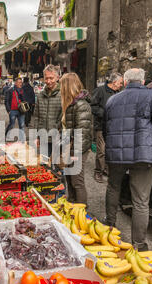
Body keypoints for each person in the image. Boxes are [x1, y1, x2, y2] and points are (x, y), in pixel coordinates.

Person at [104, 68, 152, 252]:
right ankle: (139, 243)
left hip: (117, 154)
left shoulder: (112, 99)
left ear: (125, 82)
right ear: (142, 81)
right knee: (141, 200)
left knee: (113, 187)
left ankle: (109, 225)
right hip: (143, 155)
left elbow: (106, 128)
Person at [60, 73, 93, 206]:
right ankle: (72, 204)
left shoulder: (81, 105)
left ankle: (81, 211)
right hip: (70, 146)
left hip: (78, 148)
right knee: (69, 177)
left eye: (62, 85)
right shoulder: (70, 104)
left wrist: (75, 153)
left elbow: (83, 132)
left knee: (77, 181)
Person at [90, 72, 124, 183]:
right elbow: (92, 106)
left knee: (110, 149)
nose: (121, 84)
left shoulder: (118, 92)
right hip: (101, 126)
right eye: (120, 82)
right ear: (114, 82)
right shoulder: (100, 91)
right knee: (101, 150)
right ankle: (98, 171)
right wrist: (105, 113)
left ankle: (106, 169)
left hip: (114, 126)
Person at [34, 65, 63, 157]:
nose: (48, 81)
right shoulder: (40, 96)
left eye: (51, 78)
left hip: (58, 138)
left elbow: (64, 117)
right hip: (43, 137)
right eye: (46, 78)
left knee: (57, 166)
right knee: (44, 164)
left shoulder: (62, 95)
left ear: (57, 78)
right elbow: (36, 117)